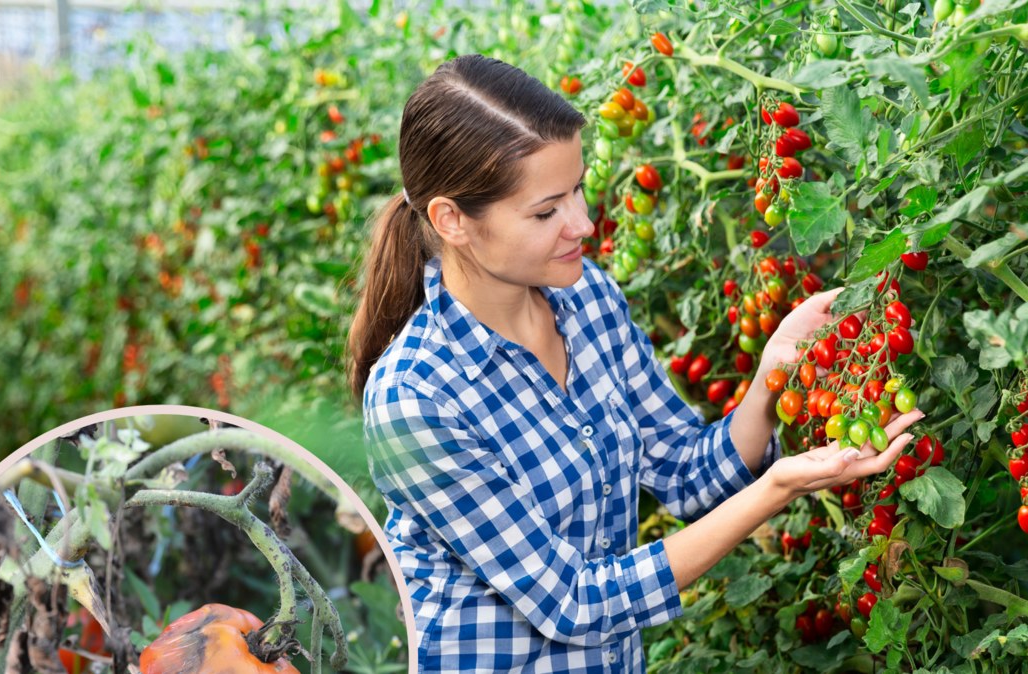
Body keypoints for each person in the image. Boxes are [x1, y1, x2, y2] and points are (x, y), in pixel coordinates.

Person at [347, 54, 922, 673]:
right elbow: (572, 603)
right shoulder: (415, 397)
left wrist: (768, 377)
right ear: (452, 220)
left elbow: (682, 470)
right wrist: (780, 486)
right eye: (546, 212)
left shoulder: (585, 296)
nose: (583, 223)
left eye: (578, 189)